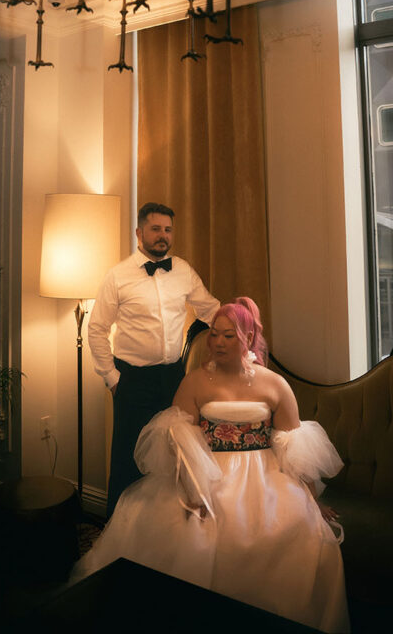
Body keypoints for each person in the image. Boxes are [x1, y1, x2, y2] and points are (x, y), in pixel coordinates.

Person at [76, 298, 350, 633]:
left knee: (301, 532)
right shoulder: (194, 382)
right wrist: (192, 490)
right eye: (214, 335)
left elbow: (292, 448)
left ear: (247, 339)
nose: (217, 342)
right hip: (206, 470)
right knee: (185, 529)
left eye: (228, 336)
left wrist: (312, 498)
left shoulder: (274, 385)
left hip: (264, 475)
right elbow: (179, 441)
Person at [88, 201, 220, 515]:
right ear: (139, 232)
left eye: (168, 230)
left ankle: (166, 532)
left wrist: (240, 326)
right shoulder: (117, 276)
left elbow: (210, 308)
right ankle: (118, 536)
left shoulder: (183, 271)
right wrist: (113, 379)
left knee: (176, 454)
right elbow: (97, 329)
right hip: (131, 379)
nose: (163, 236)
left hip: (174, 378)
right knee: (128, 460)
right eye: (156, 229)